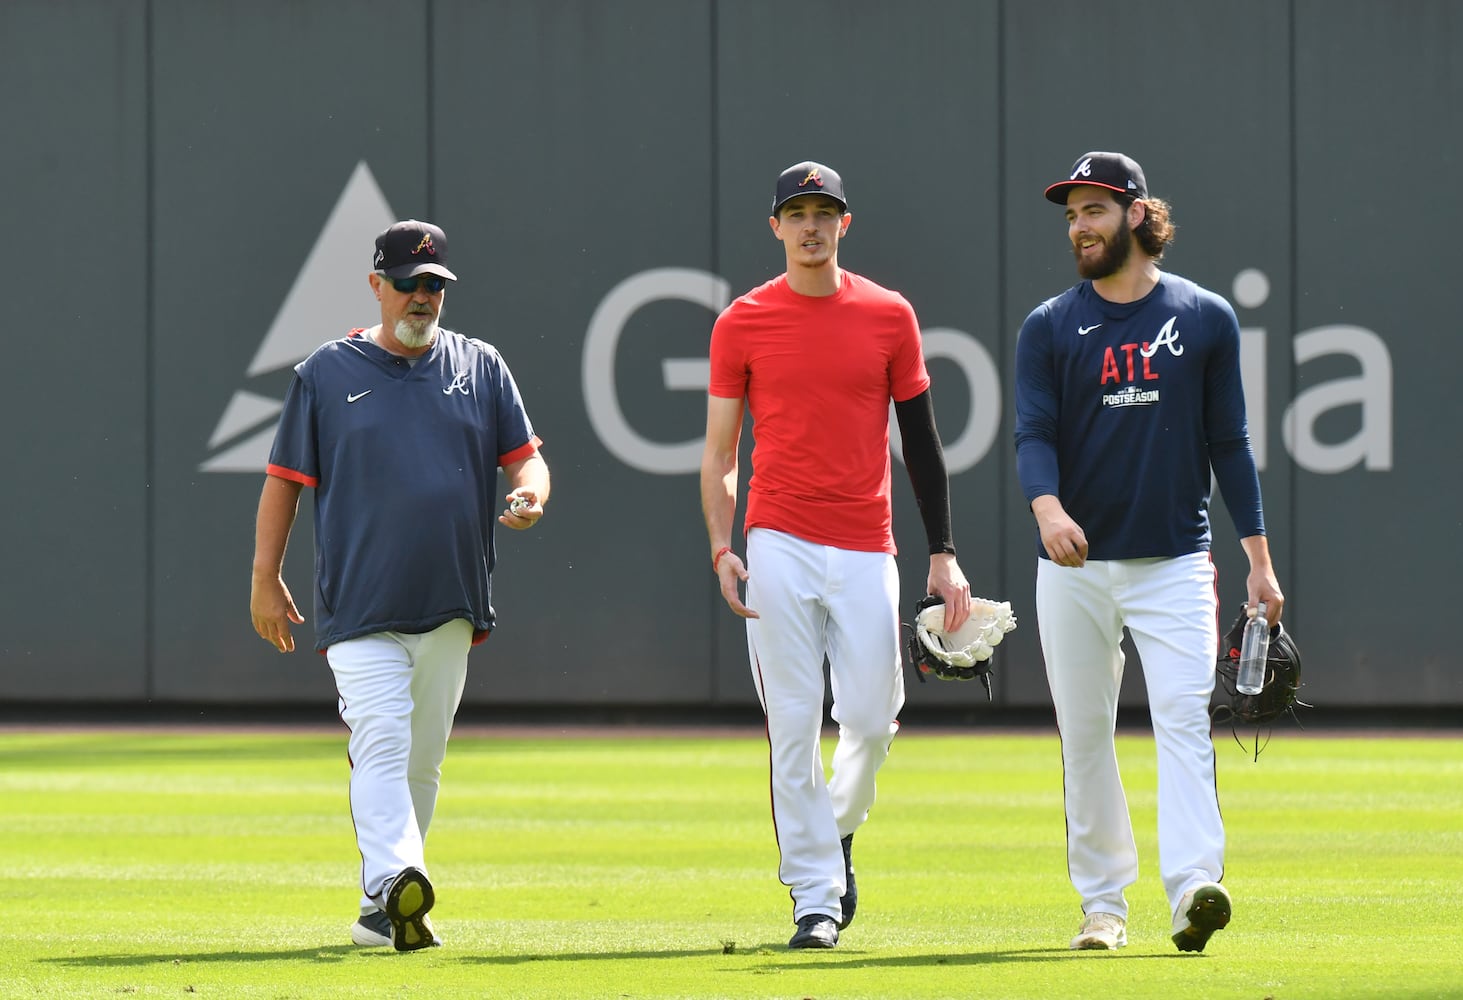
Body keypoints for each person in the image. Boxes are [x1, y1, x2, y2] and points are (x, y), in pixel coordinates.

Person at [249, 219, 550, 952]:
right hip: (360, 603)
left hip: (451, 599)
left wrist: (532, 495)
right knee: (381, 739)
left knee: (422, 760)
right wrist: (264, 577)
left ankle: (379, 910)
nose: (423, 298)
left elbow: (527, 459)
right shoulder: (326, 371)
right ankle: (400, 874)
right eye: (410, 284)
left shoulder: (479, 365)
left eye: (435, 286)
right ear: (377, 285)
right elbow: (285, 482)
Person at [1014, 152, 1284, 953]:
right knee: (1085, 734)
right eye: (1070, 214)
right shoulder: (1049, 325)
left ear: (1135, 213)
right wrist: (1046, 507)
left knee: (1180, 720)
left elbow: (1229, 443)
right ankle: (1102, 905)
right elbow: (1032, 433)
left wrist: (1258, 559)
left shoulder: (1202, 316)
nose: (1078, 226)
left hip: (1172, 561)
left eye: (1093, 209)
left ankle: (1194, 887)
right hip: (1075, 570)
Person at [700, 161, 973, 950]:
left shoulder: (888, 315)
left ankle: (835, 828)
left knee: (870, 719)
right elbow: (721, 450)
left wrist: (943, 552)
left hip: (865, 543)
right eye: (797, 212)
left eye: (825, 212)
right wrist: (722, 544)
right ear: (776, 226)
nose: (811, 225)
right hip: (776, 538)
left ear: (844, 224)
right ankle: (814, 900)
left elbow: (920, 442)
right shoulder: (743, 322)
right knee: (791, 726)